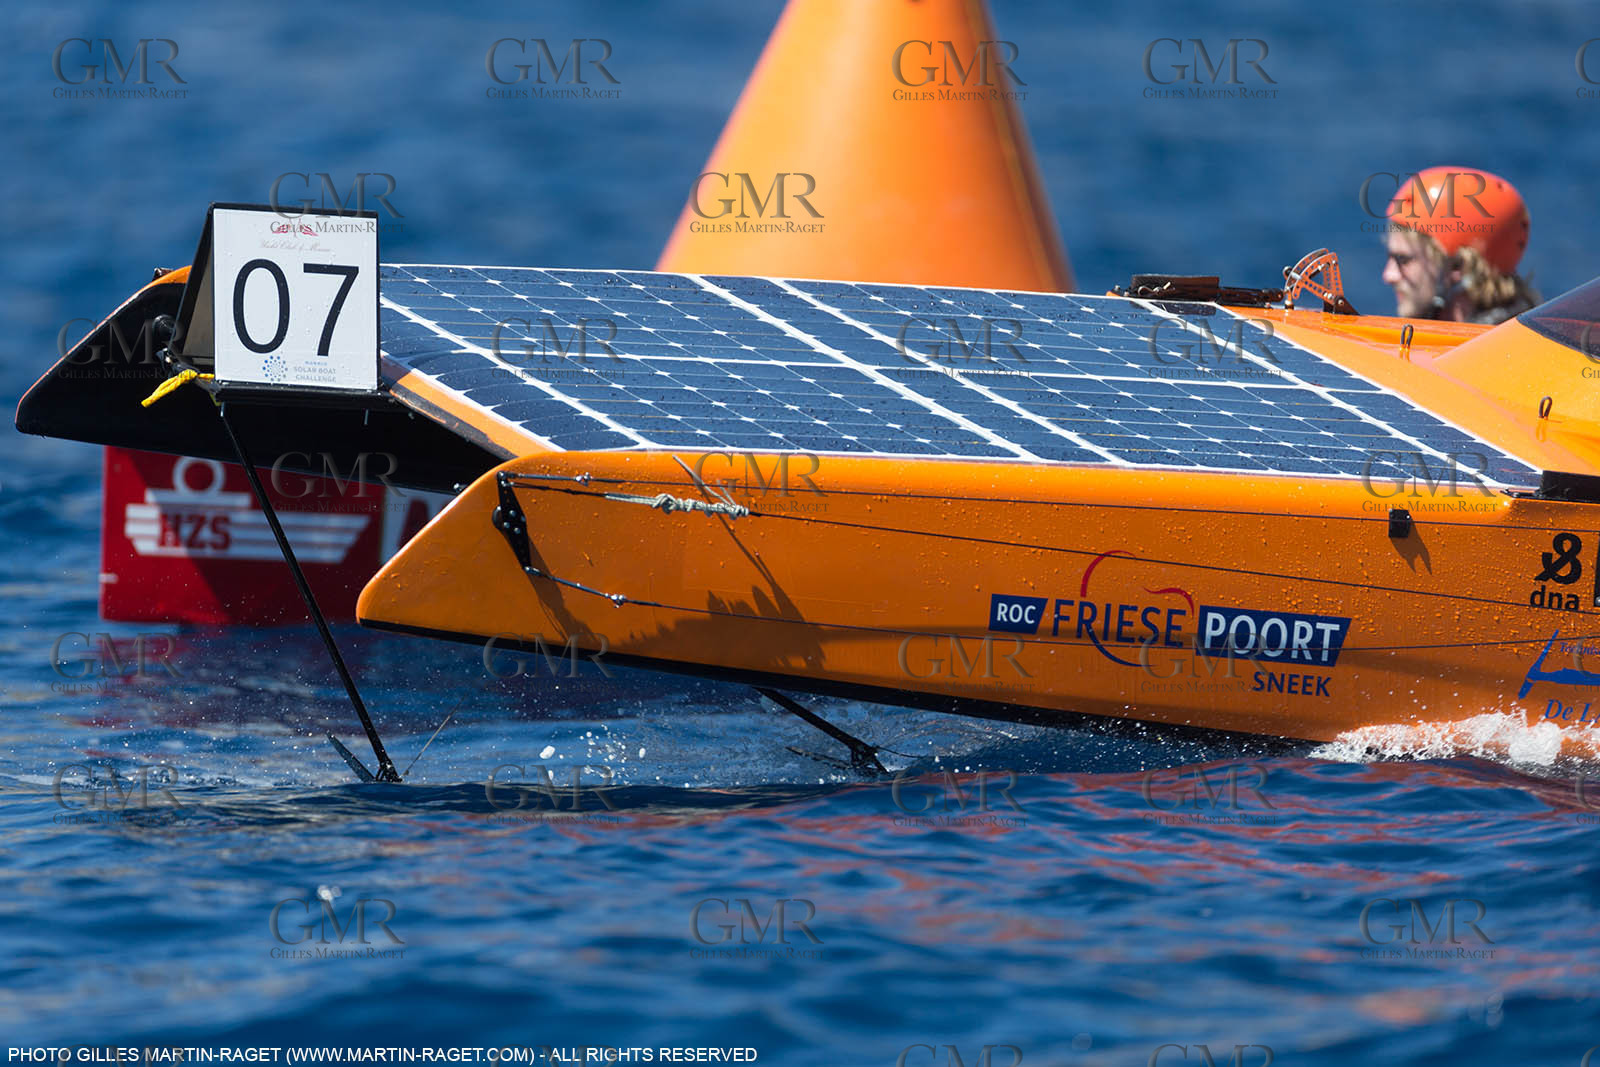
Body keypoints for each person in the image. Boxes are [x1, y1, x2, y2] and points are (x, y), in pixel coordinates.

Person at [1381, 166, 1539, 323]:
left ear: (1458, 266)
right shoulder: (1522, 333)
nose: (1388, 276)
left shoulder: (1508, 347)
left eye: (1403, 260)